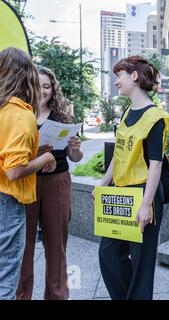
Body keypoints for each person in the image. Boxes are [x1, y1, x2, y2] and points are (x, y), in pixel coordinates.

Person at [96, 56, 169, 300]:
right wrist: (103, 184)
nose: (116, 81)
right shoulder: (128, 111)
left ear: (135, 76)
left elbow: (156, 165)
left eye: (119, 75)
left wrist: (145, 205)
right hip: (120, 193)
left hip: (143, 192)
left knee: (142, 263)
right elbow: (119, 154)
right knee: (108, 254)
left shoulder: (155, 117)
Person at [16, 66, 83, 300]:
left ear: (53, 89)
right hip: (26, 181)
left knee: (56, 245)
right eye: (38, 85)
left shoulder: (62, 117)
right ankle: (21, 295)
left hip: (57, 183)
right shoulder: (19, 114)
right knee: (23, 245)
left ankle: (56, 295)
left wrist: (75, 149)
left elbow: (75, 158)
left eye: (47, 86)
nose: (43, 91)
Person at [0, 47, 56, 300]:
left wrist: (34, 149)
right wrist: (46, 157)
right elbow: (13, 171)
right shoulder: (21, 114)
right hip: (7, 202)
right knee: (6, 276)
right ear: (27, 77)